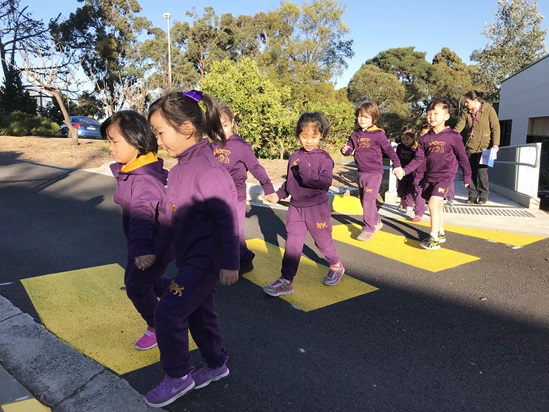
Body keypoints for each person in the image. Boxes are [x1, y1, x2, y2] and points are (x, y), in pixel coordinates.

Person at [144, 90, 240, 408]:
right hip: (190, 258)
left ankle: (178, 376)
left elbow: (228, 219)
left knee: (167, 312)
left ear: (186, 128)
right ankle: (216, 364)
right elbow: (176, 217)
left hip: (206, 260)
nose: (158, 140)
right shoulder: (182, 168)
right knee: (200, 313)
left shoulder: (208, 170)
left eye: (160, 132)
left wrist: (230, 261)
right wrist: (160, 250)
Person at [101, 110, 172, 351]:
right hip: (141, 243)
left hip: (153, 245)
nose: (110, 147)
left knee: (136, 288)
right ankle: (186, 287)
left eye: (114, 141)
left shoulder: (142, 180)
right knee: (145, 282)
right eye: (108, 141)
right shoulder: (133, 170)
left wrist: (142, 250)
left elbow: (142, 215)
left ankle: (158, 327)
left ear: (136, 140)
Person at [263, 112, 345, 296]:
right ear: (298, 135)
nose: (308, 141)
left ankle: (336, 265)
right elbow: (290, 182)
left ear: (321, 135)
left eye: (313, 137)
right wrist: (278, 195)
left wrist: (306, 172)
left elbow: (325, 183)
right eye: (304, 136)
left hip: (317, 209)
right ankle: (286, 280)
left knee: (323, 242)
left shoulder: (324, 158)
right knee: (292, 245)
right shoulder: (294, 157)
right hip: (296, 208)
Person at [393, 98, 472, 250]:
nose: (432, 117)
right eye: (429, 114)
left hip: (445, 176)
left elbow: (462, 157)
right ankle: (441, 232)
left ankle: (433, 238)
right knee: (439, 205)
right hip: (430, 176)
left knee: (433, 204)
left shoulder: (454, 136)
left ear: (446, 116)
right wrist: (404, 170)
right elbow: (418, 159)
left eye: (436, 113)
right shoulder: (424, 139)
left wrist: (467, 175)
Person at [211, 102, 275, 274]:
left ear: (232, 122)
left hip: (236, 196)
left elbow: (256, 168)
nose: (220, 131)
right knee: (217, 230)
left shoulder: (241, 146)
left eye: (224, 126)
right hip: (216, 196)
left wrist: (268, 188)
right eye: (216, 127)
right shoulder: (211, 146)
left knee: (234, 232)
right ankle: (222, 259)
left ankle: (245, 259)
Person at [340, 101, 401, 241]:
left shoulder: (378, 134)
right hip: (361, 172)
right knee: (364, 201)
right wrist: (345, 150)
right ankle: (376, 221)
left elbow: (390, 151)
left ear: (374, 119)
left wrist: (397, 165)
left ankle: (368, 228)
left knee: (368, 200)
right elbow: (349, 148)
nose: (362, 119)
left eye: (366, 117)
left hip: (374, 173)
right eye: (360, 116)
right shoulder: (355, 134)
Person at [454, 90, 500, 204]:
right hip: (470, 147)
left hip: (485, 148)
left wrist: (495, 144)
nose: (465, 104)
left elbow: (495, 128)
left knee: (482, 171)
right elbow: (458, 128)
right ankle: (472, 195)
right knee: (469, 172)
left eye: (467, 102)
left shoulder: (489, 109)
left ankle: (483, 196)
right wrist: (448, 137)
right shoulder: (466, 113)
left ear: (475, 100)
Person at [396, 125, 425, 222]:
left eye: (407, 139)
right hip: (402, 172)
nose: (405, 141)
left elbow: (418, 160)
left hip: (413, 173)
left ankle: (413, 208)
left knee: (413, 190)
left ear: (413, 138)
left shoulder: (416, 148)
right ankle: (403, 200)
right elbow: (397, 159)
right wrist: (396, 167)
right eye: (403, 139)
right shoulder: (400, 147)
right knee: (401, 188)